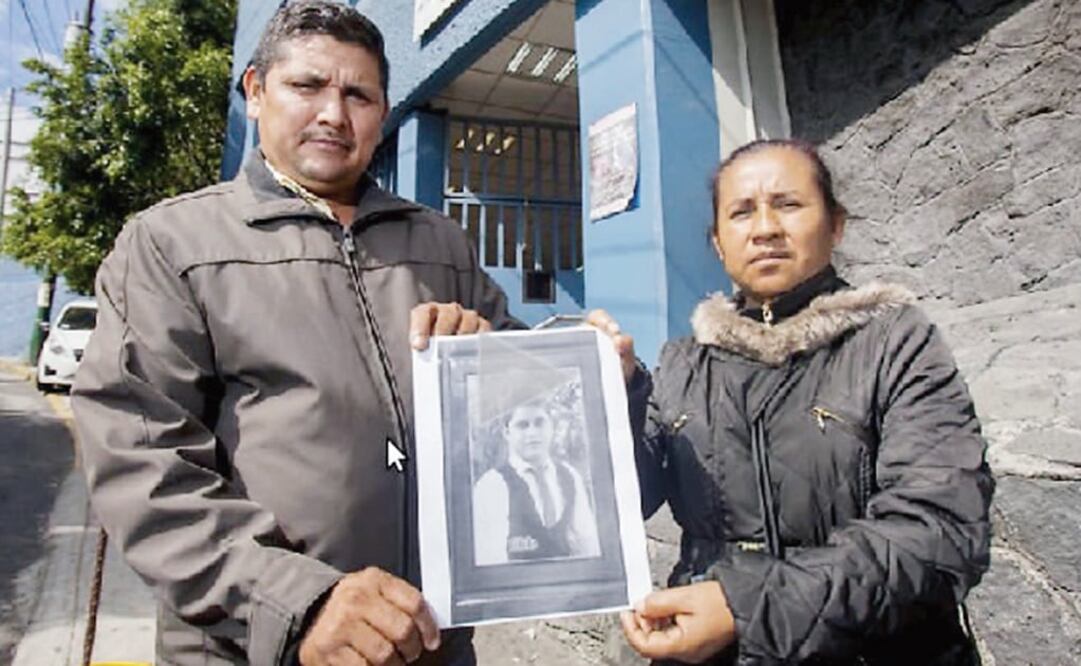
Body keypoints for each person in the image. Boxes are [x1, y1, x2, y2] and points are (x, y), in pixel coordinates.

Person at [72, 3, 520, 665]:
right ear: (255, 91)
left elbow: (523, 399)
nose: (334, 115)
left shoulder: (439, 242)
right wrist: (296, 602)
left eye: (357, 95)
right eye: (307, 86)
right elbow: (142, 463)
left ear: (382, 112)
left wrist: (551, 363)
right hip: (257, 645)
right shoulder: (173, 244)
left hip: (431, 642)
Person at [589, 138, 994, 664]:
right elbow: (627, 499)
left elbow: (940, 530)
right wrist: (614, 395)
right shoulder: (684, 363)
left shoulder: (894, 342)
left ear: (836, 225)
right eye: (741, 213)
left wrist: (745, 607)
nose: (765, 229)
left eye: (789, 204)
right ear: (718, 242)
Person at [472, 400, 601, 566]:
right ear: (507, 432)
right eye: (522, 425)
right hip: (516, 587)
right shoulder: (491, 485)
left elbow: (587, 544)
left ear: (551, 427)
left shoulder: (570, 476)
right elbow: (491, 559)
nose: (532, 433)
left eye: (539, 423)